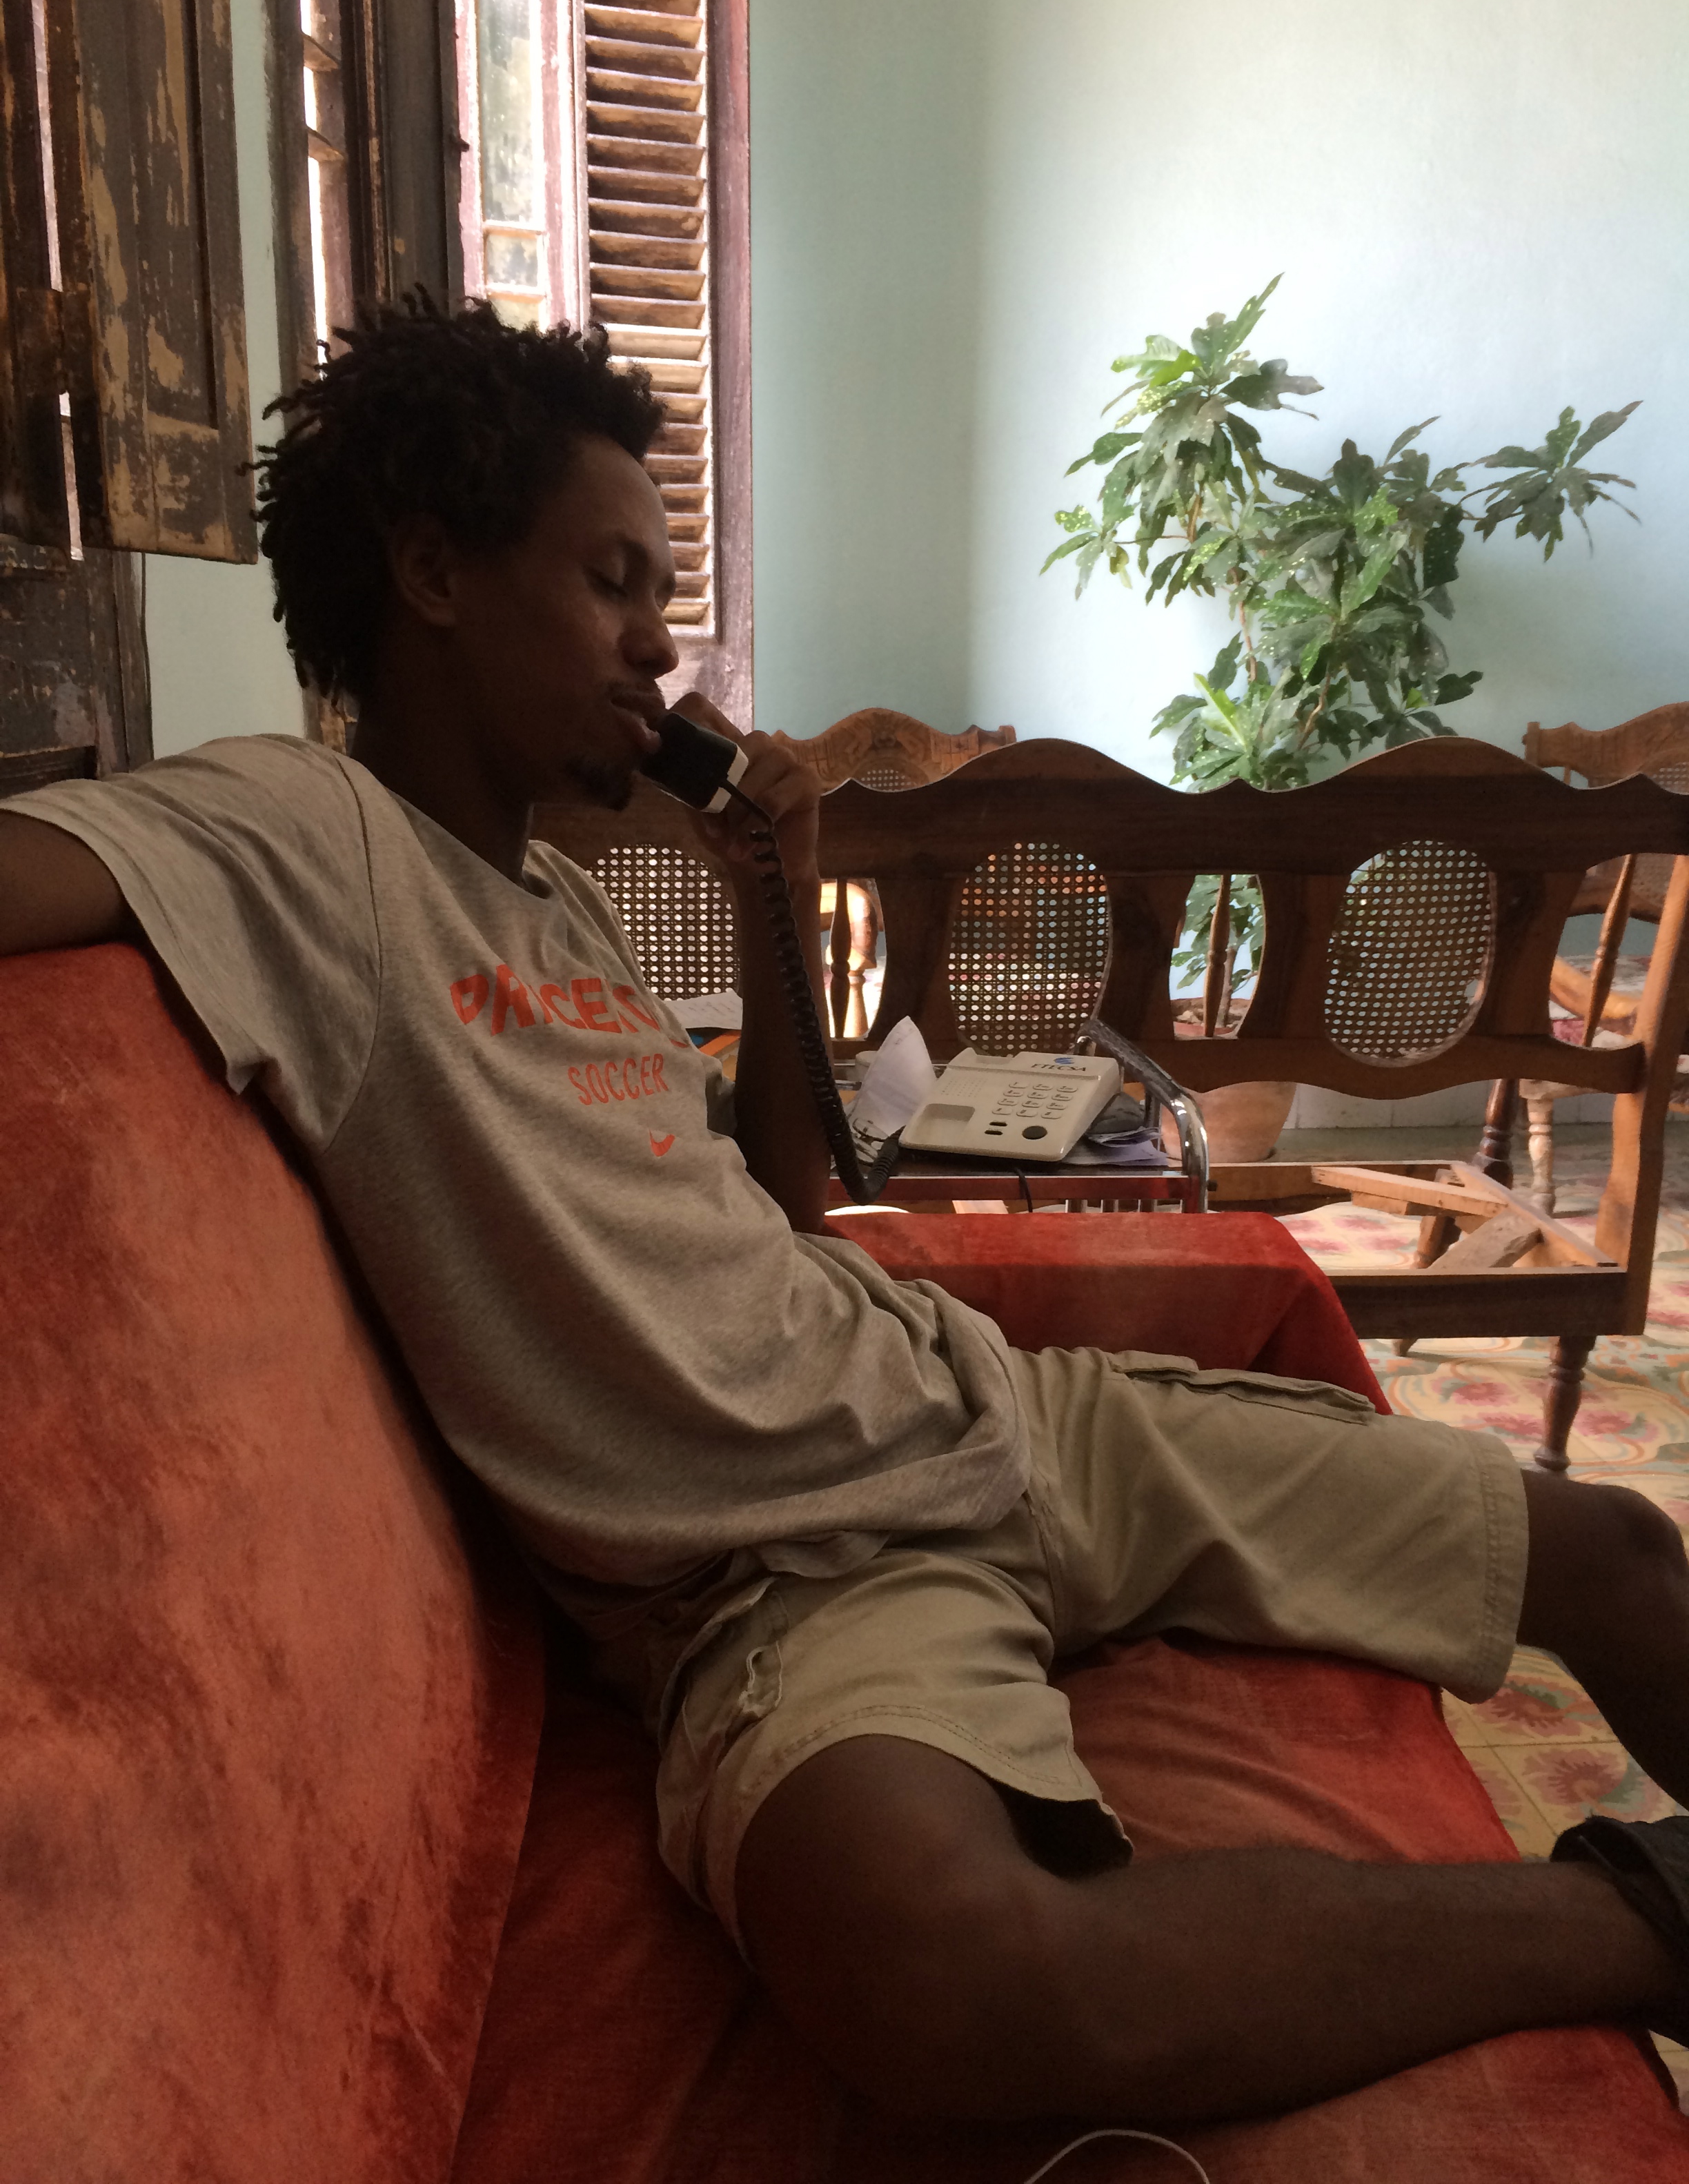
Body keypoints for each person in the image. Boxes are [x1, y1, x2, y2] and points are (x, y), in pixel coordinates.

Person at [1, 297, 1685, 2127]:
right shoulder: (305, 833)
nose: (661, 646)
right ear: (431, 573)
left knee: (1610, 1553)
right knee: (962, 1979)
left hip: (986, 1413)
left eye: (661, 593)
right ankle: (1647, 1921)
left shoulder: (563, 908)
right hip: (774, 1583)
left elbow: (783, 1215)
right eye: (613, 583)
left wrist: (772, 904)